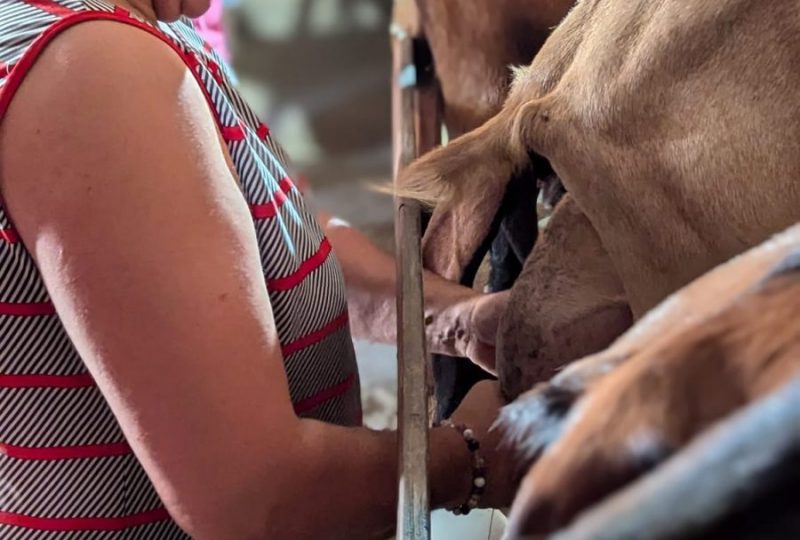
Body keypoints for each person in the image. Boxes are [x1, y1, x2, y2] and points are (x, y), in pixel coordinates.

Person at [0, 1, 516, 539]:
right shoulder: (92, 74)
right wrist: (471, 457)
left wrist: (455, 317)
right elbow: (260, 502)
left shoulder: (142, 30)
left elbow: (267, 242)